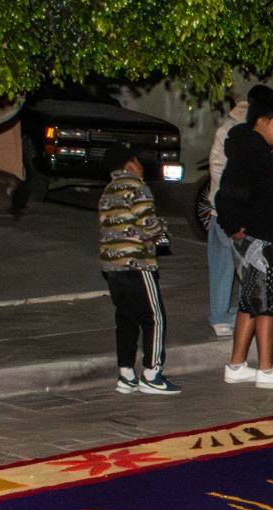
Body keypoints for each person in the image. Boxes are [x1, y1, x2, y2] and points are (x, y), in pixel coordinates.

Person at [216, 93, 273, 389]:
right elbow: (228, 193)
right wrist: (233, 225)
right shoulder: (252, 150)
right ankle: (266, 369)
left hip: (261, 235)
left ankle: (237, 364)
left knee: (250, 301)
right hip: (263, 239)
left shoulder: (252, 148)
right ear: (262, 121)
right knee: (269, 303)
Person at [98, 143, 179, 396]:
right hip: (137, 264)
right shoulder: (136, 186)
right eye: (138, 161)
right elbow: (148, 225)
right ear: (130, 164)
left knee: (126, 318)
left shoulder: (108, 191)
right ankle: (152, 374)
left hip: (113, 267)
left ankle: (126, 374)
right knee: (154, 317)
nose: (141, 166)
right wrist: (162, 227)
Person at [205, 96, 248, 337]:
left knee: (224, 265)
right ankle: (224, 316)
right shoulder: (237, 132)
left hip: (222, 207)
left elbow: (217, 168)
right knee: (239, 265)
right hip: (230, 208)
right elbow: (220, 169)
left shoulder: (227, 129)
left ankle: (223, 315)